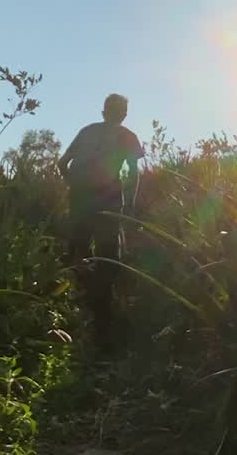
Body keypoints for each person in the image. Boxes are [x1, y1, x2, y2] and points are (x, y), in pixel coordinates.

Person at [57, 93, 144, 351]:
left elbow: (62, 163)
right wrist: (129, 204)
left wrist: (72, 185)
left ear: (104, 111)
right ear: (124, 114)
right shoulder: (128, 137)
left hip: (81, 197)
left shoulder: (86, 131)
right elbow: (133, 175)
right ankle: (103, 319)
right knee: (108, 257)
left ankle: (77, 308)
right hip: (108, 199)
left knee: (79, 252)